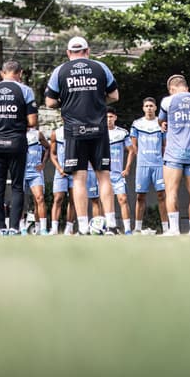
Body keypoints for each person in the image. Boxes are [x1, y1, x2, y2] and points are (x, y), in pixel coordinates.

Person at [45, 37, 119, 235]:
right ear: (88, 50)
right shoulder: (101, 67)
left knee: (79, 180)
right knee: (104, 177)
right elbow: (114, 96)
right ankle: (111, 224)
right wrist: (96, 98)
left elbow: (50, 102)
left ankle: (84, 227)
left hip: (74, 130)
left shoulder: (60, 71)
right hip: (99, 129)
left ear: (68, 53)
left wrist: (67, 100)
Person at [0, 60, 38, 235]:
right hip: (17, 143)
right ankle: (14, 227)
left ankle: (1, 228)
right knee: (17, 187)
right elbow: (32, 121)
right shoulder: (25, 90)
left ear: (1, 73)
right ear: (20, 73)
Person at [158, 74, 190, 236]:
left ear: (172, 89)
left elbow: (161, 121)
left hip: (174, 154)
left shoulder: (168, 101)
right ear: (186, 87)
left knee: (171, 191)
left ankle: (174, 229)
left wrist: (164, 123)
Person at [130, 98, 167, 234]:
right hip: (142, 165)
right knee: (140, 196)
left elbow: (165, 145)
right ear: (143, 108)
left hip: (158, 165)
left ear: (156, 108)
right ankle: (138, 228)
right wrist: (140, 157)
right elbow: (133, 145)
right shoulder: (137, 124)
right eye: (146, 106)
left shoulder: (161, 124)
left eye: (151, 106)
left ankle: (166, 229)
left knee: (162, 196)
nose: (149, 108)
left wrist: (163, 160)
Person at [106, 107, 135, 234]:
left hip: (118, 174)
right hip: (104, 175)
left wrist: (127, 168)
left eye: (111, 117)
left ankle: (128, 229)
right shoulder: (99, 133)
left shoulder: (122, 133)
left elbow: (131, 151)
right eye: (106, 117)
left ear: (115, 118)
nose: (108, 119)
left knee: (123, 199)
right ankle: (108, 227)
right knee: (105, 202)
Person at [49, 124, 76, 235]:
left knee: (73, 200)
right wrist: (59, 168)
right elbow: (53, 154)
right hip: (60, 171)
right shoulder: (56, 133)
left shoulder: (77, 130)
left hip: (75, 171)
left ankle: (68, 228)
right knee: (58, 198)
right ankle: (54, 228)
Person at [23, 125, 50, 235]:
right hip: (21, 172)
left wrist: (43, 163)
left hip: (35, 171)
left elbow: (48, 147)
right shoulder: (15, 132)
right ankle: (22, 228)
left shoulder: (37, 134)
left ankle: (42, 228)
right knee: (20, 200)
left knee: (39, 199)